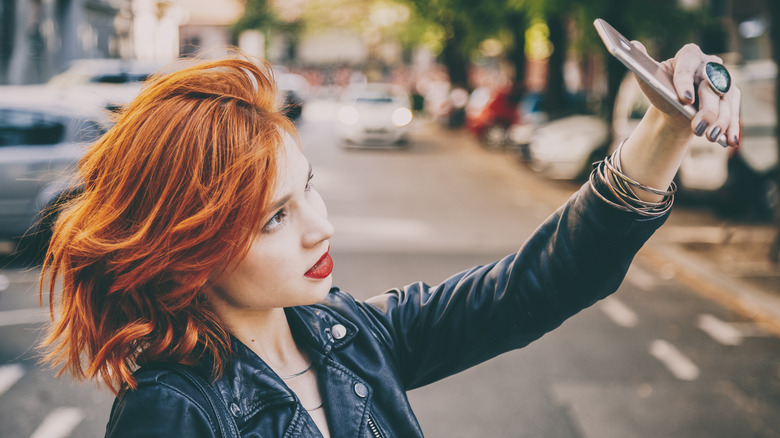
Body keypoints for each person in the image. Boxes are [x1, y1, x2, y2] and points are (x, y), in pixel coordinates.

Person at [39, 41, 740, 438]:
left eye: (307, 187)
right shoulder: (172, 412)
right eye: (274, 217)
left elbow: (545, 281)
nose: (323, 226)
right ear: (190, 247)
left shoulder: (349, 337)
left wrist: (667, 126)